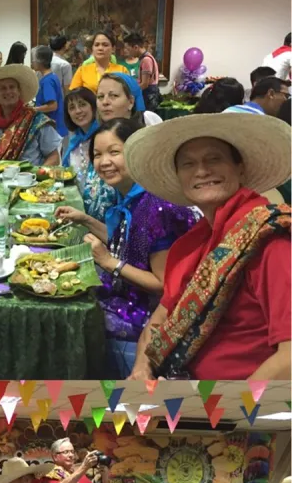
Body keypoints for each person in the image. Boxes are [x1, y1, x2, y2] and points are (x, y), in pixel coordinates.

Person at [123, 112, 291, 379]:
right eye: (188, 164)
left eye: (214, 158)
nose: (201, 171)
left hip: (235, 410)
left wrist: (227, 412)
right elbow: (158, 322)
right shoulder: (195, 243)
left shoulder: (270, 239)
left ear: (240, 168)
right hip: (180, 391)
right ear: (179, 177)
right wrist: (142, 370)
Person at [55, 119, 198, 375]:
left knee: (69, 317)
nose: (104, 162)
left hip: (152, 312)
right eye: (97, 155)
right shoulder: (131, 195)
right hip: (130, 292)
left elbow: (165, 285)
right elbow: (126, 241)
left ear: (137, 153)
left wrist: (109, 262)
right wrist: (85, 220)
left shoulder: (155, 205)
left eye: (114, 152)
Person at [0, 64, 61, 167]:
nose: (8, 91)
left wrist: (39, 175)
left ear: (19, 91)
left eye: (12, 87)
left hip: (31, 181)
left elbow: (54, 156)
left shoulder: (36, 121)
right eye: (3, 88)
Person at [61, 88, 116, 223]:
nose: (78, 111)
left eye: (82, 104)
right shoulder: (74, 143)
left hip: (106, 217)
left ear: (93, 106)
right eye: (72, 108)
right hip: (78, 213)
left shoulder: (106, 137)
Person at [97, 73, 162, 127]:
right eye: (100, 96)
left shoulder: (149, 122)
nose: (105, 102)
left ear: (131, 102)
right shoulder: (92, 135)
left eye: (114, 95)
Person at [33, 46, 68, 138]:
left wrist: (33, 110)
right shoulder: (52, 76)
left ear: (41, 61)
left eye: (34, 59)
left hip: (53, 129)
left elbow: (53, 106)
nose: (33, 62)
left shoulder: (47, 81)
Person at [122, 33, 161, 111]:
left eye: (128, 49)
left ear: (136, 47)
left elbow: (144, 84)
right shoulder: (146, 57)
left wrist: (130, 92)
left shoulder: (146, 60)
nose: (128, 52)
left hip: (149, 95)